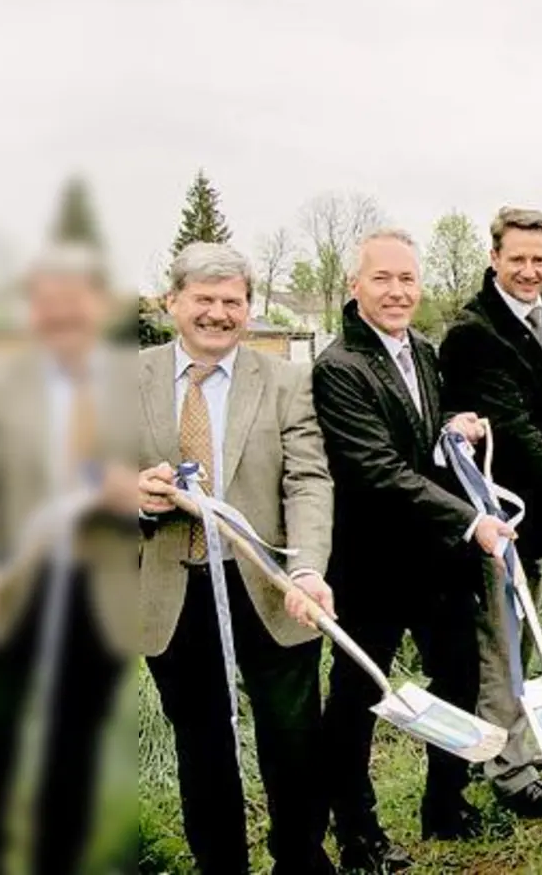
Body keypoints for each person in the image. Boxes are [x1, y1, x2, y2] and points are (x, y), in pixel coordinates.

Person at [133, 242, 335, 873]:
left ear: (248, 308)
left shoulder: (285, 381)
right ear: (173, 302)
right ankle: (220, 864)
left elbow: (308, 480)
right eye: (204, 299)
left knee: (293, 739)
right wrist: (131, 495)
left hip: (271, 586)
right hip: (173, 591)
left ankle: (299, 859)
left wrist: (306, 569)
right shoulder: (125, 379)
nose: (219, 314)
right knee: (202, 743)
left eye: (233, 301)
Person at [313, 228, 510, 869]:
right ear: (355, 286)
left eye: (407, 279)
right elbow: (378, 469)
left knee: (458, 674)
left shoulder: (422, 351)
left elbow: (423, 441)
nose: (397, 292)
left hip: (435, 561)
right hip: (370, 563)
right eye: (382, 279)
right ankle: (358, 833)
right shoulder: (338, 368)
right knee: (357, 695)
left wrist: (456, 427)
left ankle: (445, 804)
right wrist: (471, 521)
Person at [0, 243, 134, 875]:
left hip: (96, 591)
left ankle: (59, 854)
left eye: (75, 303)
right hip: (8, 583)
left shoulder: (132, 382)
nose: (62, 317)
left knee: (73, 740)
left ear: (99, 307)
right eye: (48, 303)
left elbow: (167, 476)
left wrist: (132, 491)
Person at [438, 207, 542, 816]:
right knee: (503, 640)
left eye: (540, 260)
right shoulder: (473, 332)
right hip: (489, 513)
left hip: (527, 512)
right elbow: (512, 426)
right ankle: (511, 775)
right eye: (518, 259)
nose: (529, 270)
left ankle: (507, 750)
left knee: (520, 632)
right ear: (494, 259)